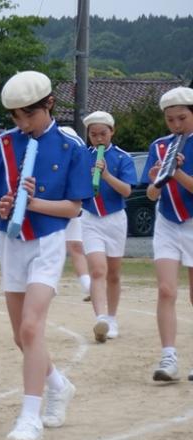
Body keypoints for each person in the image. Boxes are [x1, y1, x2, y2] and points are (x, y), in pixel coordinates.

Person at [0, 71, 90, 440]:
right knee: (20, 335)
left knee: (31, 328)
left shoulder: (71, 147)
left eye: (30, 115)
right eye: (15, 116)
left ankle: (29, 417)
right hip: (12, 244)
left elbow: (73, 208)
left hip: (48, 242)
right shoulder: (3, 144)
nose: (23, 123)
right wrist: (0, 205)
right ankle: (58, 384)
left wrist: (33, 202)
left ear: (49, 104)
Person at [141, 86, 193, 382]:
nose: (176, 125)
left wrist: (176, 172)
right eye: (170, 119)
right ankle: (168, 357)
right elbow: (150, 194)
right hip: (167, 222)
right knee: (166, 290)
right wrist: (156, 180)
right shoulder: (159, 146)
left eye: (182, 118)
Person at [80, 111, 137, 343]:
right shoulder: (82, 156)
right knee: (97, 270)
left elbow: (127, 190)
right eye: (93, 134)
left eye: (103, 133)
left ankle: (112, 318)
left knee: (113, 273)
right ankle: (100, 318)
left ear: (112, 131)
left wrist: (106, 175)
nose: (98, 138)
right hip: (90, 218)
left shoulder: (123, 157)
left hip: (115, 218)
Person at [59, 126, 92, 301]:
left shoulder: (78, 162)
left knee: (76, 246)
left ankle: (88, 286)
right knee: (48, 249)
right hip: (51, 209)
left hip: (71, 209)